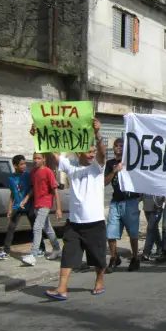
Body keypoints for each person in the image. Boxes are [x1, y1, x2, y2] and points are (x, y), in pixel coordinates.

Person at [43, 119, 107, 300]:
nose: (92, 153)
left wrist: (97, 134)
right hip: (75, 223)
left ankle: (99, 279)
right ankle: (62, 288)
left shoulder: (98, 168)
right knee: (68, 254)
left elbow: (103, 154)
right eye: (89, 150)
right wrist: (41, 135)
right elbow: (54, 156)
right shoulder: (71, 165)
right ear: (79, 151)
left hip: (95, 222)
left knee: (98, 257)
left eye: (93, 151)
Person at [0, 155, 46, 260]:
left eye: (24, 164)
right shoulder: (11, 178)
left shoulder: (27, 176)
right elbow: (12, 194)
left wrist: (26, 199)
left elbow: (32, 189)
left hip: (29, 205)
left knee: (35, 227)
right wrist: (9, 208)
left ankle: (42, 248)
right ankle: (6, 251)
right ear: (15, 165)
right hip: (17, 206)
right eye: (21, 164)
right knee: (11, 228)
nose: (24, 166)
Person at [105, 138, 141, 272]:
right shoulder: (110, 164)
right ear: (113, 148)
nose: (119, 148)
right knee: (110, 232)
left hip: (130, 201)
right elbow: (104, 182)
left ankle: (135, 257)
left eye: (121, 146)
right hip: (116, 201)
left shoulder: (131, 162)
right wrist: (114, 171)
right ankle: (114, 257)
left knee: (133, 233)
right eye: (116, 146)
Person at [21, 152, 62, 266]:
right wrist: (26, 199)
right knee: (48, 228)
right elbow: (33, 189)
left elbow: (55, 190)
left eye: (39, 158)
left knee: (37, 227)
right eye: (34, 158)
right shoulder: (33, 172)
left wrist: (58, 208)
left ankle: (33, 255)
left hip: (46, 203)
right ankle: (57, 249)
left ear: (44, 159)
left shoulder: (48, 171)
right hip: (37, 204)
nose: (36, 160)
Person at [141, 195, 164, 262]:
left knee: (150, 229)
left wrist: (159, 203)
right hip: (147, 207)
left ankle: (146, 253)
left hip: (156, 208)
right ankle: (160, 248)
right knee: (154, 229)